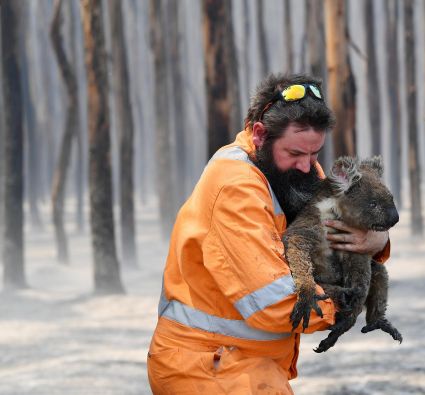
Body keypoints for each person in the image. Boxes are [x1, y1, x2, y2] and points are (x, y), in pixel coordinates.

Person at [147, 73, 391, 394]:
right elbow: (275, 304)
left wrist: (378, 241)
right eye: (295, 154)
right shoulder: (236, 187)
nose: (308, 166)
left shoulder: (293, 172)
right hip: (207, 367)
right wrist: (348, 300)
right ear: (260, 134)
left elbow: (341, 230)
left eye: (315, 153)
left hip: (245, 364)